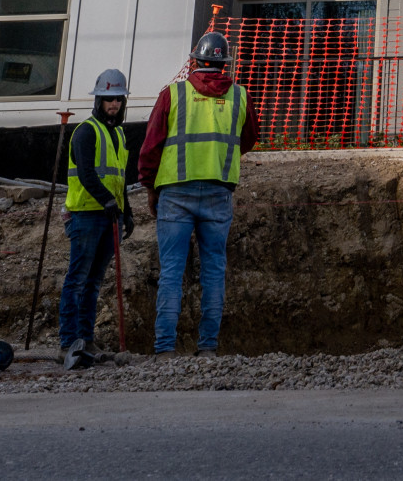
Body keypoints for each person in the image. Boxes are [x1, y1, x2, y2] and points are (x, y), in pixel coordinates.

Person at [134, 31, 260, 355]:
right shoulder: (240, 96)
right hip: (218, 192)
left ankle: (164, 350)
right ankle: (207, 349)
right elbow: (247, 139)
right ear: (224, 63)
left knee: (172, 272)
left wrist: (149, 187)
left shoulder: (173, 94)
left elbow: (151, 147)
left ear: (196, 61)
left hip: (175, 193)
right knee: (214, 271)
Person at [58, 67, 132, 366]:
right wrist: (106, 201)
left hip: (108, 216)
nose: (113, 104)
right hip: (86, 214)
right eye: (108, 99)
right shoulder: (86, 131)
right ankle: (67, 343)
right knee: (77, 280)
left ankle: (85, 340)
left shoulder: (120, 135)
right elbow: (87, 174)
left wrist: (125, 212)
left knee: (93, 282)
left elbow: (120, 178)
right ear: (98, 101)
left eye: (117, 99)